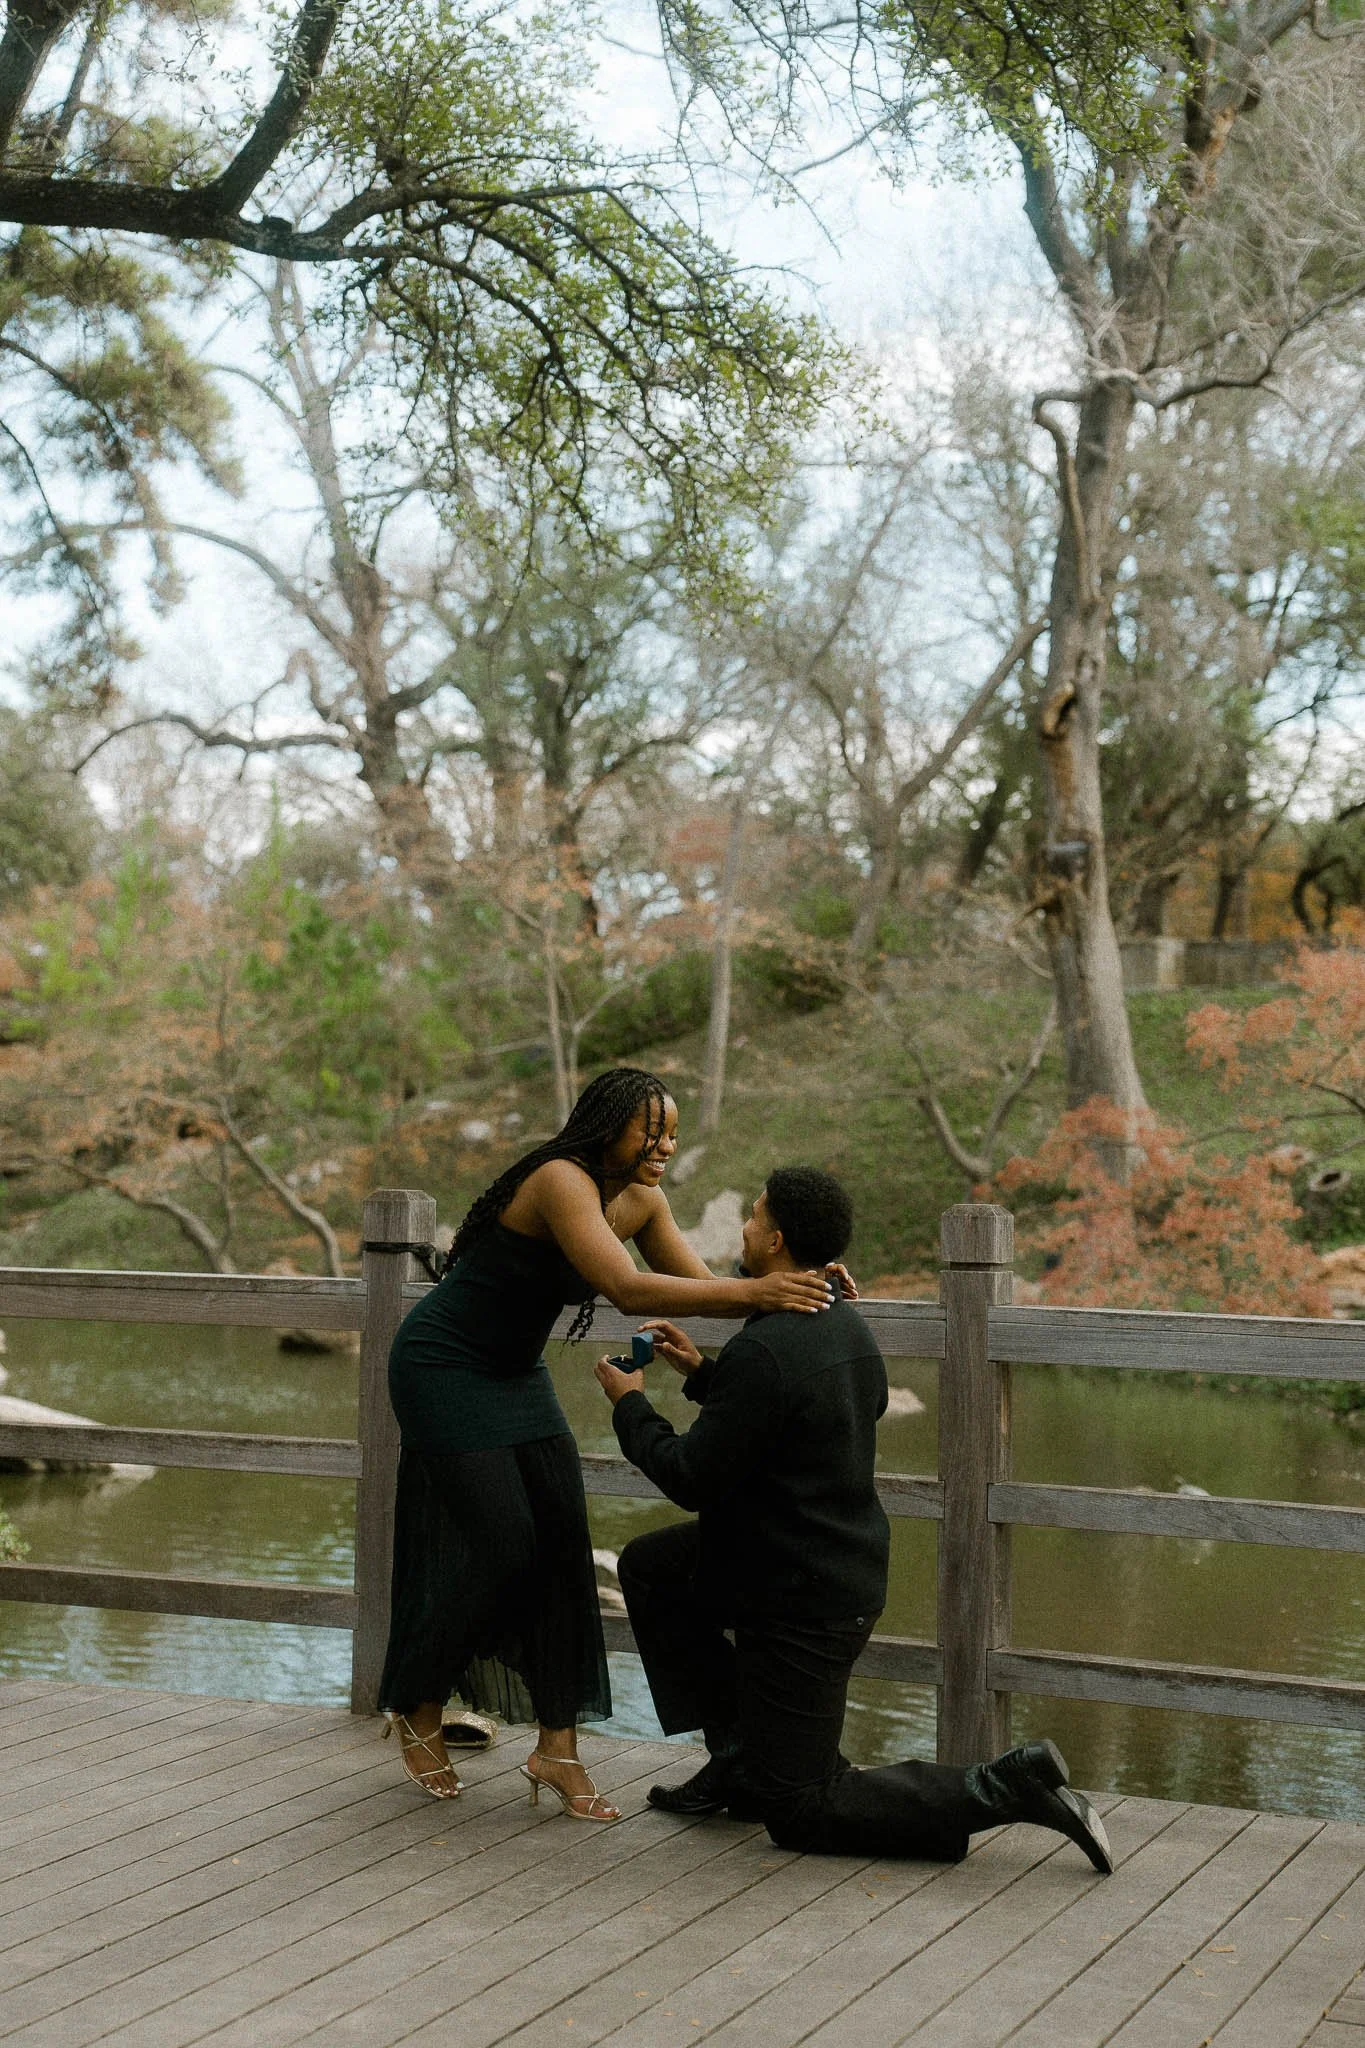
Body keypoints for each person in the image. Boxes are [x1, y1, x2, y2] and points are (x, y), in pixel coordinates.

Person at [595, 1165, 1113, 1873]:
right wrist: (701, 1375)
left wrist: (630, 1403)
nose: (742, 1230)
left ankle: (999, 1785)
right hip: (803, 1559)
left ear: (774, 1241)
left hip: (804, 1601)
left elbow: (689, 1477)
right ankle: (740, 1756)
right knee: (653, 1570)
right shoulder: (839, 1323)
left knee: (801, 1808)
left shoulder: (767, 1347)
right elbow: (797, 1419)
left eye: (751, 1219)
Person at [378, 1069, 842, 1821]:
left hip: (513, 1373)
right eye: (649, 1131)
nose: (663, 1145)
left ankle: (556, 1748)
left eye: (671, 1133)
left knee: (561, 1544)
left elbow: (700, 1287)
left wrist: (805, 1281)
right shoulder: (560, 1178)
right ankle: (415, 1700)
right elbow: (629, 1290)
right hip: (443, 1366)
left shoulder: (643, 1200)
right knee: (501, 1548)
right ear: (607, 1128)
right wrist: (758, 1293)